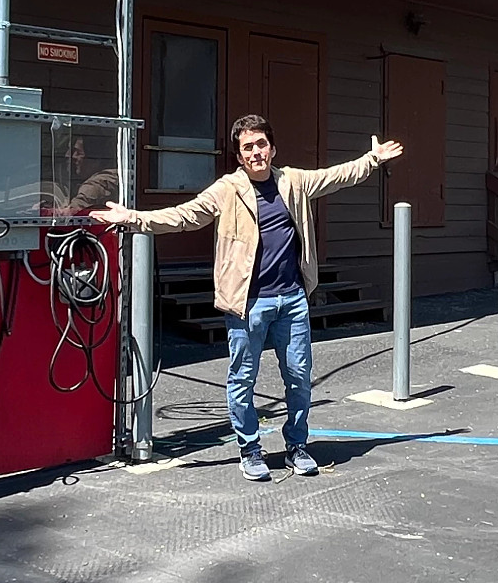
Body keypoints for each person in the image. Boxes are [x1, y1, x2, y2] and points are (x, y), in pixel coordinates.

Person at [93, 116, 403, 480]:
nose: (256, 152)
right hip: (247, 303)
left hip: (291, 299)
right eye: (247, 148)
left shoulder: (293, 181)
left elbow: (335, 176)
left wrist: (372, 159)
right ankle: (250, 449)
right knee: (242, 378)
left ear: (272, 148)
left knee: (300, 378)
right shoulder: (228, 190)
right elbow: (184, 216)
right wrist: (133, 218)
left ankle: (297, 445)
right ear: (239, 156)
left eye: (261, 144)